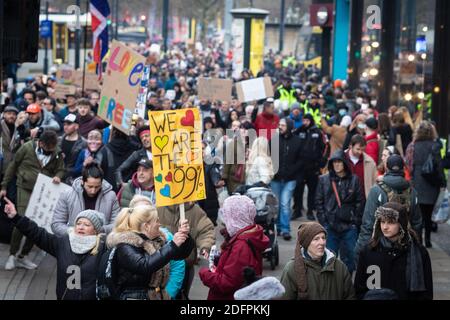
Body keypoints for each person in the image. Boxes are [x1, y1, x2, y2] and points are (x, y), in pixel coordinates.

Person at [4, 199, 108, 300]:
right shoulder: (63, 242)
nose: (81, 227)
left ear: (95, 230)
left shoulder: (103, 249)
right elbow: (38, 234)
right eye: (78, 223)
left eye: (86, 225)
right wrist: (16, 217)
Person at [2, 130, 65, 270]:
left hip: (43, 191)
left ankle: (22, 256)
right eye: (48, 148)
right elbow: (13, 165)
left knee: (37, 223)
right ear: (41, 143)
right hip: (24, 187)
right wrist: (4, 186)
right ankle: (12, 255)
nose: (51, 151)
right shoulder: (27, 148)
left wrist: (58, 176)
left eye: (53, 149)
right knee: (21, 218)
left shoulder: (57, 153)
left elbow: (61, 169)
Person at [106, 205, 194, 300]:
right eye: (157, 221)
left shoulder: (155, 241)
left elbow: (180, 255)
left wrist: (184, 235)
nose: (160, 224)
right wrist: (172, 245)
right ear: (146, 226)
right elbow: (144, 265)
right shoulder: (124, 246)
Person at [354, 202, 433, 300]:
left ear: (401, 224)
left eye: (391, 222)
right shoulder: (368, 251)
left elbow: (426, 293)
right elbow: (359, 289)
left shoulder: (419, 253)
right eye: (382, 222)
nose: (385, 227)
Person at [199, 195, 269, 300]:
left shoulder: (241, 246)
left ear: (235, 217)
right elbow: (236, 271)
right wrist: (222, 259)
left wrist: (205, 273)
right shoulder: (248, 235)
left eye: (227, 215)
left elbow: (227, 283)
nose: (224, 220)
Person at [355, 154, 423, 258]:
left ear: (386, 167)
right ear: (403, 168)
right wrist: (417, 248)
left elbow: (368, 223)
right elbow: (417, 223)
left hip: (382, 246)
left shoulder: (376, 190)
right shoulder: (412, 191)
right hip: (405, 246)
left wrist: (361, 249)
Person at [128, 195, 186, 299]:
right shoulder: (125, 240)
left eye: (148, 210)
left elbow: (177, 266)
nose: (145, 215)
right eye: (141, 212)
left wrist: (168, 294)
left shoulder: (166, 237)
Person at [315, 150, 364, 273]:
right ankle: (330, 286)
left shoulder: (354, 180)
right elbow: (318, 202)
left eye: (339, 162)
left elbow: (360, 202)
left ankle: (346, 283)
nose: (336, 165)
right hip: (330, 226)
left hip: (349, 226)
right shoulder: (324, 180)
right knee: (329, 259)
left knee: (351, 258)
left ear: (345, 164)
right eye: (334, 162)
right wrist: (324, 222)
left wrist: (355, 221)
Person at [280, 222, 356, 300]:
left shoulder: (340, 267)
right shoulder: (292, 269)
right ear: (306, 243)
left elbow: (350, 296)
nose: (322, 242)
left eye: (323, 238)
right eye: (316, 239)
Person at [157, 202, 216, 298]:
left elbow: (206, 231)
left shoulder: (196, 211)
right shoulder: (159, 207)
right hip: (160, 265)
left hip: (186, 264)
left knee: (181, 295)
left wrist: (205, 246)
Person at [51, 163, 120, 237]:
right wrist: (73, 232)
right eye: (90, 186)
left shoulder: (111, 196)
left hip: (99, 243)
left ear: (102, 183)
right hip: (72, 241)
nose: (93, 191)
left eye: (97, 187)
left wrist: (99, 230)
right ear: (82, 182)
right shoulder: (68, 194)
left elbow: (117, 225)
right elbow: (56, 223)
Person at [405, 121, 445, 248]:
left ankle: (419, 240)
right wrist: (443, 181)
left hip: (417, 181)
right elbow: (439, 166)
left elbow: (408, 164)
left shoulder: (412, 146)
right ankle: (427, 239)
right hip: (431, 182)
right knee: (429, 213)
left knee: (419, 214)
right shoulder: (435, 145)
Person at [271, 118, 302, 240]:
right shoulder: (274, 140)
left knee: (285, 203)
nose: (280, 126)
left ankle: (285, 229)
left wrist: (292, 171)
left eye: (283, 125)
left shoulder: (297, 141)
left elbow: (301, 160)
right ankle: (276, 227)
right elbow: (268, 156)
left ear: (289, 126)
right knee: (276, 204)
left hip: (290, 179)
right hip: (275, 178)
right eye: (279, 124)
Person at [293, 113, 326, 221]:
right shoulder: (300, 131)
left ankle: (310, 211)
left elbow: (322, 148)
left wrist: (320, 162)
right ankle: (297, 210)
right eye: (304, 120)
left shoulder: (317, 132)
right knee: (298, 190)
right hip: (300, 167)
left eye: (307, 121)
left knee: (312, 191)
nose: (305, 123)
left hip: (313, 167)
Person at [344, 134, 377, 199]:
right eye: (358, 149)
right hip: (344, 198)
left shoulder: (370, 162)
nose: (360, 152)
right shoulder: (342, 158)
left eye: (363, 150)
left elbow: (374, 182)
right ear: (350, 146)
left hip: (362, 199)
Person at [198, 142, 223, 226]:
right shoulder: (191, 165)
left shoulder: (210, 163)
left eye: (202, 148)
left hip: (209, 202)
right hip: (197, 203)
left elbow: (215, 175)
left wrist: (217, 182)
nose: (200, 151)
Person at [59, 114, 87, 184]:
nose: (65, 127)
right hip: (57, 174)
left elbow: (83, 164)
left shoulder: (84, 143)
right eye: (64, 124)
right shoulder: (59, 140)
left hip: (72, 179)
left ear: (76, 126)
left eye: (69, 124)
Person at [0, 105, 20, 177]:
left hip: (12, 167)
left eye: (14, 114)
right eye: (9, 113)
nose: (11, 116)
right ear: (4, 115)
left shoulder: (18, 127)